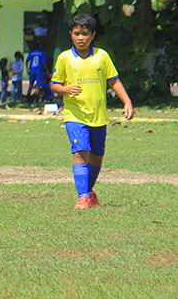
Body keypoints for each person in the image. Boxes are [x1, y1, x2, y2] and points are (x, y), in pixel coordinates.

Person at [50, 13, 135, 209]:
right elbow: (55, 85)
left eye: (85, 34)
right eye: (77, 33)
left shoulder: (101, 56)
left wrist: (127, 101)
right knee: (81, 151)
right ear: (70, 34)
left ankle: (88, 192)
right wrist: (66, 90)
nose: (81, 38)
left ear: (93, 35)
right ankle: (82, 196)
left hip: (98, 116)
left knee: (97, 155)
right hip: (75, 115)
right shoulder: (65, 58)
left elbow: (114, 81)